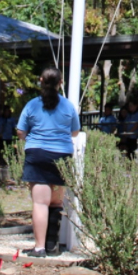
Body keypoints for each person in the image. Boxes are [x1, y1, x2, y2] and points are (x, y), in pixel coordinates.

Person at [16, 68, 81, 258]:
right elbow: (75, 131)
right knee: (56, 202)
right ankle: (52, 246)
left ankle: (39, 247)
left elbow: (20, 131)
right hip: (61, 155)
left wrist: (30, 138)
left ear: (41, 80)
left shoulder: (31, 105)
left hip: (37, 154)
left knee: (40, 203)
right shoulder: (68, 106)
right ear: (61, 83)